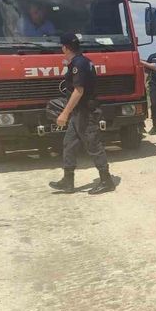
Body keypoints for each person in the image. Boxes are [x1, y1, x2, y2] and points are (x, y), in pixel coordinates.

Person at [49, 33, 115, 195]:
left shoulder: (79, 63)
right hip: (79, 112)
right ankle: (68, 181)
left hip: (86, 111)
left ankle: (106, 180)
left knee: (93, 144)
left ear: (65, 47)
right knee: (69, 143)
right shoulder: (81, 61)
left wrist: (64, 113)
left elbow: (79, 91)